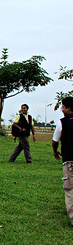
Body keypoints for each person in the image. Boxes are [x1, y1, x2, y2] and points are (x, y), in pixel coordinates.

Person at [52, 96, 73, 228]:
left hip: (69, 160)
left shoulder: (62, 122)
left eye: (63, 107)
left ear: (69, 108)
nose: (62, 110)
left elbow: (55, 140)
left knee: (69, 188)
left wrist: (55, 151)